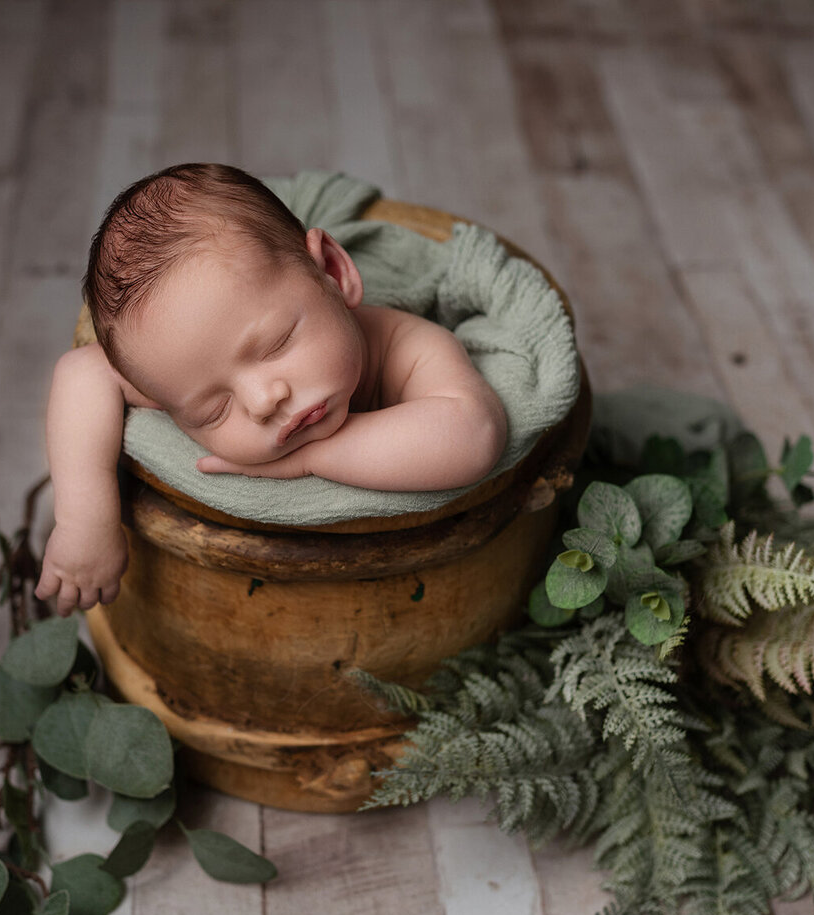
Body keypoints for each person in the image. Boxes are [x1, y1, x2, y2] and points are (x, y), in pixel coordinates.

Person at [35, 163, 508, 615]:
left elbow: (474, 434)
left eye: (277, 344)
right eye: (213, 409)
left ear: (333, 272)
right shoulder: (177, 368)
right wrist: (84, 521)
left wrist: (309, 459)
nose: (264, 401)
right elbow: (84, 372)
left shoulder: (409, 347)